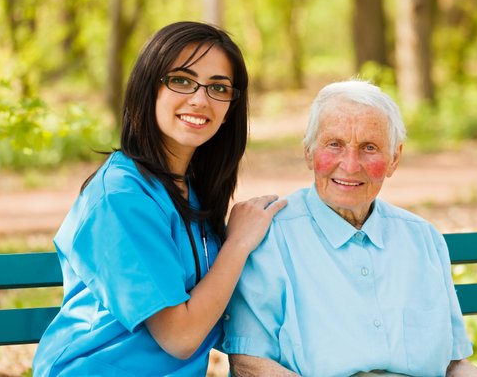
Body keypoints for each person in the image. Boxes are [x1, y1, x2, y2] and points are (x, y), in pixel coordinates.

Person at [32, 21, 286, 376]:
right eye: (181, 80)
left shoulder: (189, 190)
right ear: (148, 87)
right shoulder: (121, 197)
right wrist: (238, 243)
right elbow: (180, 336)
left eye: (218, 87)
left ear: (231, 106)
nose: (200, 99)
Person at [222, 80, 477, 377]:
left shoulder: (422, 238)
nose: (350, 164)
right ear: (308, 152)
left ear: (394, 158)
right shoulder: (270, 236)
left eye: (369, 148)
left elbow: (455, 363)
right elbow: (249, 364)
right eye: (334, 144)